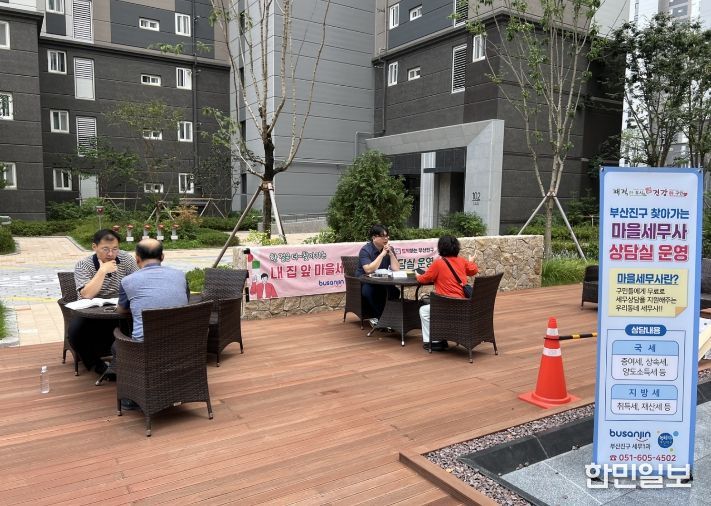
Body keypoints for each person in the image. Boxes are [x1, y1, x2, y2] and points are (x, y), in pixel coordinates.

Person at [115, 238, 189, 409]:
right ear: (162, 257)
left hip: (146, 347)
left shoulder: (128, 281)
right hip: (183, 343)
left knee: (116, 346)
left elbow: (121, 310)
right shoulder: (180, 275)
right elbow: (184, 300)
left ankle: (134, 398)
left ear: (137, 258)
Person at [69, 229, 138, 375]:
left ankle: (127, 362)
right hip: (90, 310)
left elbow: (138, 282)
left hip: (120, 308)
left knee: (138, 322)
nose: (111, 254)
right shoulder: (84, 265)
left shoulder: (126, 259)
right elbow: (87, 294)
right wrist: (102, 271)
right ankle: (96, 364)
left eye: (115, 249)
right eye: (105, 249)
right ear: (94, 247)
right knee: (75, 330)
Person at [416, 235, 478, 351]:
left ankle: (434, 342)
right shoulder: (462, 261)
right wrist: (471, 261)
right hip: (463, 305)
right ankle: (441, 337)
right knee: (431, 307)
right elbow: (473, 270)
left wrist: (417, 275)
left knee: (424, 310)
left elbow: (423, 279)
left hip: (446, 306)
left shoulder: (438, 263)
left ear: (441, 248)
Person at [356, 224, 401, 325]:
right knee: (370, 292)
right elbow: (368, 269)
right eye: (382, 236)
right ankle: (381, 318)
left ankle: (388, 317)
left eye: (387, 236)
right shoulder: (365, 250)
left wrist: (391, 254)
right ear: (374, 237)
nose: (386, 238)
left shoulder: (389, 249)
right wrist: (382, 254)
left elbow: (396, 269)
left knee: (395, 291)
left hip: (383, 281)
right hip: (367, 282)